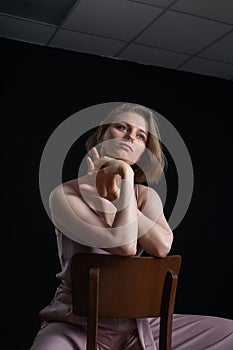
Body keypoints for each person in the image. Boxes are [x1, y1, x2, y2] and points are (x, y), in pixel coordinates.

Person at [30, 103, 233, 350]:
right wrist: (125, 179)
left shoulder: (146, 196)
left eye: (140, 136)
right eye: (121, 127)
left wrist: (121, 190)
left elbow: (161, 246)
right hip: (75, 324)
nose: (130, 137)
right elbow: (124, 245)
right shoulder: (65, 194)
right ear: (101, 135)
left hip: (138, 327)